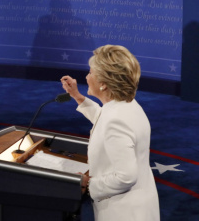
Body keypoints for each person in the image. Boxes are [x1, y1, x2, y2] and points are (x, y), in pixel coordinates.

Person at [60, 45, 160, 220]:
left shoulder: (116, 120)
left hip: (123, 213)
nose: (86, 77)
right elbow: (103, 117)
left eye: (91, 73)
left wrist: (89, 184)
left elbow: (126, 177)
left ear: (104, 84)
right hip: (140, 204)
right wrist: (77, 96)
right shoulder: (127, 105)